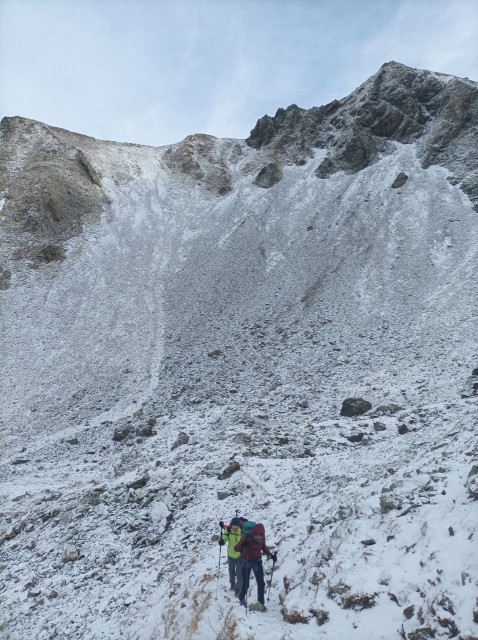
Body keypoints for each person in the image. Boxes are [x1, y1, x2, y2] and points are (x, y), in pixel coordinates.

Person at [234, 522, 277, 611]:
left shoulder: (261, 539)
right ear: (254, 533)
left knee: (261, 583)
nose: (259, 538)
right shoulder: (247, 536)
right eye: (258, 536)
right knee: (246, 584)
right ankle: (241, 598)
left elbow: (263, 547)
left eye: (261, 536)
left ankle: (260, 603)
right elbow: (236, 548)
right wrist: (243, 545)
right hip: (246, 562)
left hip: (257, 562)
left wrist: (271, 555)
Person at [219, 518, 243, 596]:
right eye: (234, 526)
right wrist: (222, 541)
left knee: (239, 573)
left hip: (240, 555)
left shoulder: (242, 531)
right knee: (231, 570)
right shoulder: (228, 530)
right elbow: (225, 538)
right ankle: (232, 583)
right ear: (231, 525)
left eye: (237, 526)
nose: (235, 528)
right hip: (230, 554)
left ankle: (238, 588)